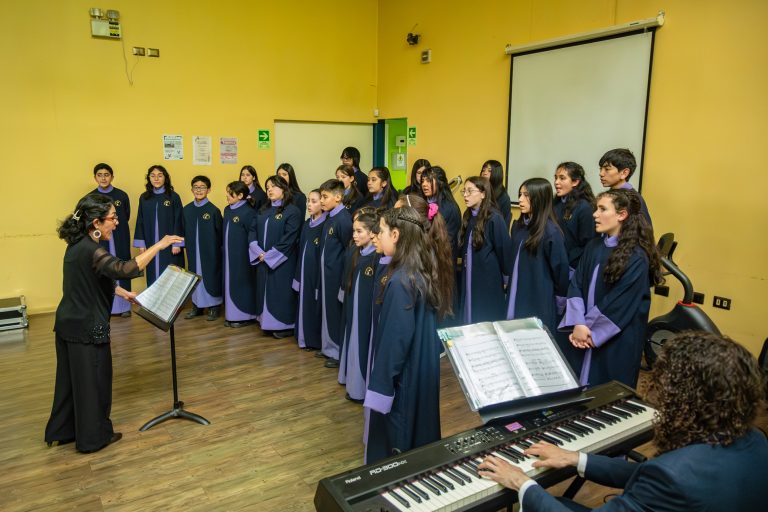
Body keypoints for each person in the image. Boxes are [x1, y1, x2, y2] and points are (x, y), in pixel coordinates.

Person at [478, 331, 768, 512]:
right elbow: (647, 473)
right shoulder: (755, 440)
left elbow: (662, 477)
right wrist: (576, 459)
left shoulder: (673, 477)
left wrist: (522, 483)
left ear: (684, 399)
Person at [44, 194, 183, 453]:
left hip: (67, 325)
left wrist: (121, 293)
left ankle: (63, 431)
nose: (116, 223)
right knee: (94, 383)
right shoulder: (93, 248)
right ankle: (93, 439)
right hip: (87, 327)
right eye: (112, 218)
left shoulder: (78, 243)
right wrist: (159, 245)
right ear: (96, 222)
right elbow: (126, 268)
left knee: (71, 382)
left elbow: (89, 277)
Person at [363, 206, 452, 464]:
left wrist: (379, 390)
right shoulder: (419, 271)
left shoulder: (400, 281)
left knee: (396, 447)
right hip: (420, 374)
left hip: (404, 382)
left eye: (380, 231)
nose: (375, 237)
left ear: (396, 235)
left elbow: (394, 343)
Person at [559, 189, 663, 387]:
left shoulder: (637, 257)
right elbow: (576, 284)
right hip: (583, 332)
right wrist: (578, 323)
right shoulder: (593, 246)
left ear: (621, 215)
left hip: (615, 338)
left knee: (606, 392)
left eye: (602, 209)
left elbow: (619, 303)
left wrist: (586, 329)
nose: (594, 215)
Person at [507, 178, 570, 336]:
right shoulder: (519, 226)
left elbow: (561, 272)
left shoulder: (551, 232)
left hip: (538, 297)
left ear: (540, 198)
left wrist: (559, 304)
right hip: (516, 292)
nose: (520, 199)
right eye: (520, 194)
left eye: (526, 195)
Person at [249, 175, 302, 338]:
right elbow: (253, 231)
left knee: (280, 293)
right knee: (264, 290)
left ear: (284, 189)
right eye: (267, 187)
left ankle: (284, 326)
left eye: (273, 186)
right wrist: (257, 251)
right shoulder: (263, 210)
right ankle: (266, 322)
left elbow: (290, 238)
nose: (269, 190)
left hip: (282, 262)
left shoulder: (293, 211)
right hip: (263, 260)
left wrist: (270, 255)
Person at [458, 176, 512, 324]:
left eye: (470, 191)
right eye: (464, 191)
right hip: (469, 275)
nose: (465, 195)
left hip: (487, 278)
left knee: (484, 317)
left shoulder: (494, 218)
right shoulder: (468, 215)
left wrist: (507, 279)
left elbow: (504, 251)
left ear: (483, 194)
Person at [338, 211, 378, 403]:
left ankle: (361, 388)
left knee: (363, 345)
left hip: (366, 313)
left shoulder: (376, 258)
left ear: (372, 233)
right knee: (352, 341)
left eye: (359, 231)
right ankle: (352, 382)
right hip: (353, 308)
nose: (354, 235)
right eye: (354, 231)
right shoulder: (355, 252)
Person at [317, 179, 353, 367]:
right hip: (326, 274)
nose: (321, 201)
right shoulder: (330, 216)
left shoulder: (343, 219)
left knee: (335, 313)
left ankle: (338, 352)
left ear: (338, 197)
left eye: (325, 197)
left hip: (337, 275)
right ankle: (328, 347)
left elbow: (349, 250)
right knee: (327, 312)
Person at [91, 163, 132, 317]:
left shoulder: (122, 195)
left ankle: (124, 307)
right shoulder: (91, 197)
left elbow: (126, 215)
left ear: (112, 176)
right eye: (99, 175)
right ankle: (105, 307)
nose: (103, 177)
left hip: (119, 236)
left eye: (106, 174)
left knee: (123, 267)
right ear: (95, 177)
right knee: (103, 269)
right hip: (101, 239)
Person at [133, 165, 185, 286]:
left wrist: (177, 243)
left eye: (160, 175)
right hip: (151, 243)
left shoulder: (173, 196)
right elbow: (140, 220)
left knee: (170, 275)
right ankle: (153, 303)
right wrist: (142, 244)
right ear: (149, 178)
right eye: (153, 176)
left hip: (170, 246)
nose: (156, 178)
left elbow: (179, 220)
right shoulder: (144, 198)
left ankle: (170, 304)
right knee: (152, 274)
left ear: (165, 178)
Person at [182, 176, 223, 321]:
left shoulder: (213, 211)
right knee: (194, 276)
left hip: (211, 253)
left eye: (203, 187)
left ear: (209, 189)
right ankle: (197, 306)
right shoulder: (186, 210)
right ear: (192, 189)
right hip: (193, 251)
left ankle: (214, 306)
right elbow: (181, 230)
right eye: (196, 187)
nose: (199, 190)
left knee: (211, 276)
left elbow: (221, 234)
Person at [293, 189, 327, 351]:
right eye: (308, 200)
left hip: (316, 275)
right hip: (304, 272)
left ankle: (314, 341)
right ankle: (303, 338)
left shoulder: (325, 226)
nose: (309, 204)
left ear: (322, 203)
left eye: (314, 201)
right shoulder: (307, 224)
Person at [222, 181, 259, 328]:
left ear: (240, 195)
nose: (227, 196)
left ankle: (245, 315)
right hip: (229, 255)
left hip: (242, 256)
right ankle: (231, 315)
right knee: (231, 283)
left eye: (230, 194)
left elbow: (253, 236)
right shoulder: (227, 210)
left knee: (242, 284)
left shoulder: (249, 212)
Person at [553, 161, 597, 273]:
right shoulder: (556, 203)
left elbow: (588, 244)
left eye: (562, 178)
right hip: (555, 262)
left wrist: (569, 261)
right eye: (556, 178)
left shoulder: (584, 208)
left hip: (572, 267)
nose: (556, 182)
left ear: (575, 181)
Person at [598, 148, 652, 227]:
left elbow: (639, 235)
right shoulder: (613, 194)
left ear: (624, 173)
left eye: (607, 169)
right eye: (601, 169)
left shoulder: (632, 200)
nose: (601, 174)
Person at [481, 159, 512, 228]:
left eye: (489, 171)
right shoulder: (479, 191)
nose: (485, 173)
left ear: (497, 173)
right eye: (483, 170)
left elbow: (504, 226)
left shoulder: (503, 197)